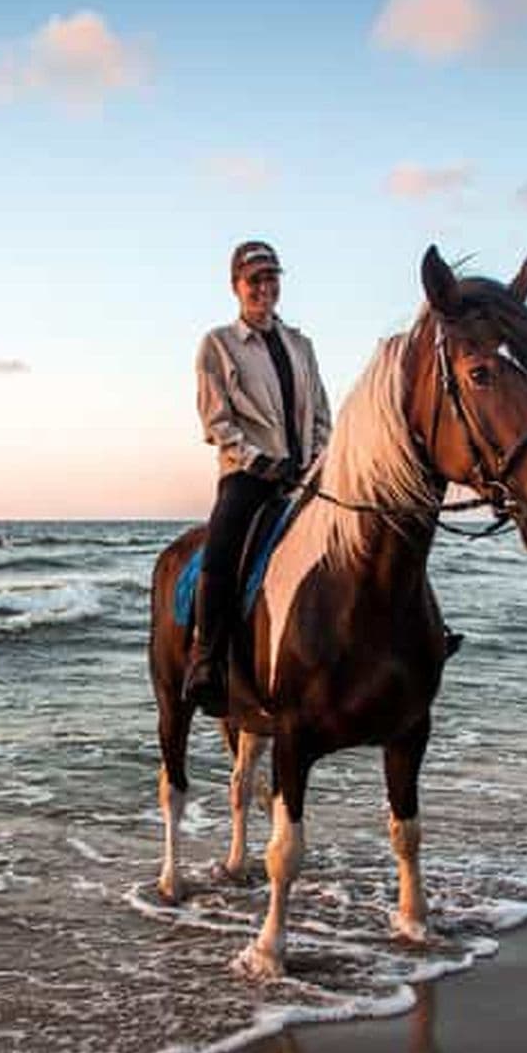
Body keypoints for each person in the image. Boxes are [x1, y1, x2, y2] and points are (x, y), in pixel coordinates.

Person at [186, 239, 331, 716]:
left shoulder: (302, 346)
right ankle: (206, 661)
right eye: (255, 280)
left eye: (271, 278)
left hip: (302, 475)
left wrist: (314, 461)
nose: (264, 288)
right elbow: (216, 421)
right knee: (225, 543)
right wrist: (259, 461)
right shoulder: (218, 344)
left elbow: (321, 416)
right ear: (236, 286)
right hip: (248, 475)